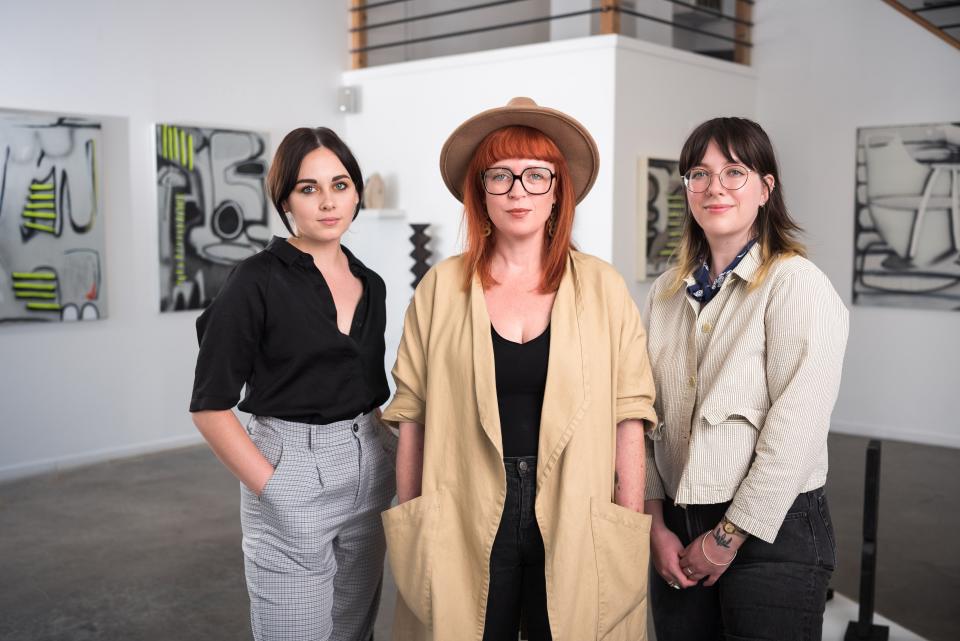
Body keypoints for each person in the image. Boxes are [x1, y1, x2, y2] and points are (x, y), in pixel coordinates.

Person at [379, 97, 657, 641]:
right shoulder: (441, 287)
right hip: (462, 505)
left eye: (536, 175)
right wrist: (412, 511)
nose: (517, 191)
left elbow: (631, 413)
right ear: (480, 192)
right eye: (500, 176)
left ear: (558, 190)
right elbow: (411, 412)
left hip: (579, 506)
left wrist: (626, 518)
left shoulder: (604, 287)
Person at [643, 117, 849, 641]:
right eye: (699, 173)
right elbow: (644, 414)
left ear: (766, 188)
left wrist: (727, 537)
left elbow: (795, 434)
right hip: (677, 526)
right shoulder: (665, 294)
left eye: (734, 172)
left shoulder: (795, 284)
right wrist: (655, 524)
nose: (715, 188)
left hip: (771, 532)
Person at [189, 127, 395, 641]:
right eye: (309, 188)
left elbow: (364, 389)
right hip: (290, 467)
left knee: (353, 632)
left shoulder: (371, 282)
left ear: (356, 193)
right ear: (285, 200)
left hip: (370, 467)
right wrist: (275, 489)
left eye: (340, 184)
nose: (328, 201)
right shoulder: (254, 280)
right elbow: (209, 407)